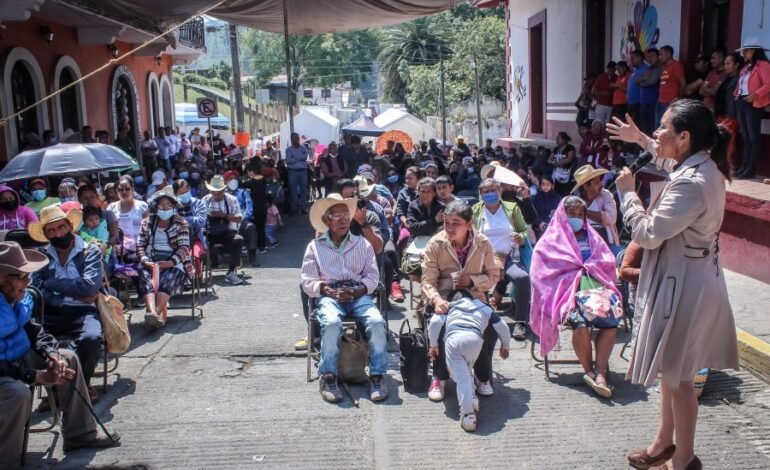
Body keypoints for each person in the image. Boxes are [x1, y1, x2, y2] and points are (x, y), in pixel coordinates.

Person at [607, 98, 741, 469]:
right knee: (671, 369)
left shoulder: (693, 183)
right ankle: (663, 443)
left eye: (663, 127)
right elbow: (666, 157)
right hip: (685, 277)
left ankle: (684, 459)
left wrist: (627, 194)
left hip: (686, 286)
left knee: (681, 380)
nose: (657, 133)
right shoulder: (699, 164)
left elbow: (648, 234)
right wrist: (639, 139)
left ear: (683, 136)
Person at [0, 241, 120, 467]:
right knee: (18, 393)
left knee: (68, 359)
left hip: (16, 356)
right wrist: (34, 376)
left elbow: (34, 331)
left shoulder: (17, 298)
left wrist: (51, 354)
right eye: (22, 277)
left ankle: (80, 435)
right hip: (4, 368)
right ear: (2, 279)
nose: (28, 282)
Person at [530, 197, 622, 398]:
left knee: (611, 322)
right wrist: (572, 276)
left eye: (581, 214)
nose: (577, 217)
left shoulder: (592, 236)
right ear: (563, 214)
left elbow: (606, 261)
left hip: (595, 291)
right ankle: (590, 371)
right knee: (580, 324)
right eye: (572, 213)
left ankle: (600, 372)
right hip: (564, 295)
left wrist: (590, 269)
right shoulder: (550, 241)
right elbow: (540, 273)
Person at [301, 195, 389, 403]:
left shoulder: (362, 244)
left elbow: (372, 276)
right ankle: (329, 375)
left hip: (358, 295)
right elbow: (308, 280)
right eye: (336, 216)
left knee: (377, 322)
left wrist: (358, 291)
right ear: (326, 221)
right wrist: (329, 291)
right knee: (331, 323)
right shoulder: (315, 246)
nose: (342, 220)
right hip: (330, 296)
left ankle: (377, 375)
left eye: (346, 215)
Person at [421, 200, 500, 402]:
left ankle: (482, 377)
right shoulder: (436, 243)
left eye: (456, 223)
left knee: (489, 327)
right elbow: (427, 280)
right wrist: (437, 299)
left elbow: (493, 275)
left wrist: (473, 280)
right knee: (440, 324)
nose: (450, 228)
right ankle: (439, 376)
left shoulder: (482, 243)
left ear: (469, 223)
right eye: (446, 223)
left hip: (475, 297)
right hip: (445, 297)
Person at [28, 205, 105, 402]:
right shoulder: (41, 257)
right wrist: (66, 295)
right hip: (50, 312)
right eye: (51, 230)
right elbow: (36, 291)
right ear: (46, 234)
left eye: (61, 227)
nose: (58, 233)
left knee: (92, 338)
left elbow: (89, 288)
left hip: (83, 311)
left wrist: (52, 283)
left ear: (70, 226)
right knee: (30, 341)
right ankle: (53, 388)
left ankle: (83, 383)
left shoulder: (90, 251)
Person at [428, 297, 510, 432]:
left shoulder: (450, 306)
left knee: (460, 378)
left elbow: (435, 322)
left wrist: (433, 345)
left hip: (454, 339)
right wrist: (505, 345)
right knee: (467, 370)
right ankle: (471, 395)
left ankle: (468, 415)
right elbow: (503, 326)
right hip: (475, 339)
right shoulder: (485, 308)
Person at [472, 178, 530, 340]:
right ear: (481, 194)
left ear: (499, 191)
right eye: (486, 191)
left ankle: (521, 321)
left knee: (523, 278)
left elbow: (524, 230)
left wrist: (521, 237)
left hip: (509, 255)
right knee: (477, 280)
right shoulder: (475, 211)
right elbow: (470, 235)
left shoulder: (511, 209)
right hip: (484, 258)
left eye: (493, 190)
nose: (490, 194)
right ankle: (485, 317)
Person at [136, 191, 192, 328]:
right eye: (162, 206)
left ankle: (154, 314)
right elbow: (140, 245)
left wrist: (169, 263)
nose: (165, 208)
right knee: (147, 280)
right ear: (156, 207)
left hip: (175, 263)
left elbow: (184, 248)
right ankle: (153, 314)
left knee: (167, 280)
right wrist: (144, 260)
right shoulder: (147, 222)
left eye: (168, 205)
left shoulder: (181, 223)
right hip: (151, 262)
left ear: (173, 207)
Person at [734, 38, 770, 179]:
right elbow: (740, 85)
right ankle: (744, 166)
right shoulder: (746, 67)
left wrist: (755, 95)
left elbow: (768, 84)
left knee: (753, 136)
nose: (743, 53)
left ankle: (751, 168)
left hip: (753, 103)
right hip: (742, 102)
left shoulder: (764, 65)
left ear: (754, 51)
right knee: (746, 136)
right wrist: (736, 94)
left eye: (746, 51)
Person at [201, 175, 245, 285]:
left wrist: (223, 216)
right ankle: (201, 273)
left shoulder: (231, 200)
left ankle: (231, 272)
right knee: (200, 244)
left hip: (226, 232)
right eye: (213, 192)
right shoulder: (205, 200)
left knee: (238, 240)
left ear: (224, 190)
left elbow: (239, 219)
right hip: (209, 232)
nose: (216, 194)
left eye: (219, 192)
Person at [572, 164, 620, 252]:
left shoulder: (605, 195)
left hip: (607, 246)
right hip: (584, 248)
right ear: (586, 186)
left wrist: (584, 211)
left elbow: (611, 218)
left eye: (600, 180)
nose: (601, 184)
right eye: (597, 182)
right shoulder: (575, 202)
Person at [715, 52, 744, 170]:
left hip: (730, 114)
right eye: (725, 64)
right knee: (721, 141)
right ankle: (721, 164)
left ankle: (727, 166)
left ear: (736, 65)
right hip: (721, 113)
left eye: (728, 63)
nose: (725, 66)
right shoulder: (726, 78)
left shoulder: (739, 79)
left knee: (730, 143)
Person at [225, 171, 259, 266]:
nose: (233, 181)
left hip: (241, 221)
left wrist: (242, 218)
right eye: (230, 179)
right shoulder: (222, 194)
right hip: (226, 222)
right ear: (226, 181)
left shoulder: (243, 192)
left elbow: (249, 208)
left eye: (234, 178)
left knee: (251, 227)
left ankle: (252, 257)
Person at [242, 160, 269, 255]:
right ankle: (263, 246)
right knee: (261, 227)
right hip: (263, 206)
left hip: (256, 208)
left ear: (251, 171)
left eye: (248, 172)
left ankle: (260, 246)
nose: (248, 174)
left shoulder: (253, 181)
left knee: (257, 228)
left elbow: (242, 185)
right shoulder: (263, 179)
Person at [656, 45, 686, 128]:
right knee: (658, 127)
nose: (659, 57)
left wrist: (679, 98)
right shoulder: (664, 67)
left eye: (661, 54)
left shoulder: (676, 65)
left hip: (670, 102)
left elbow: (683, 83)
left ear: (668, 54)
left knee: (665, 127)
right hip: (660, 101)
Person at [407, 177, 444, 243]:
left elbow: (443, 229)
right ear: (418, 192)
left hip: (436, 241)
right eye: (422, 191)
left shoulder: (441, 208)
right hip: (417, 239)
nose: (425, 195)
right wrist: (434, 221)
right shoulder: (413, 206)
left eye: (429, 192)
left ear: (434, 193)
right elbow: (414, 228)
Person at [636, 47, 663, 136]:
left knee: (652, 127)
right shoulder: (649, 69)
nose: (650, 59)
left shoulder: (660, 68)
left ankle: (651, 149)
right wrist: (645, 78)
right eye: (649, 57)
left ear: (658, 56)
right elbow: (636, 81)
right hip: (643, 102)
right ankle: (644, 149)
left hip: (653, 102)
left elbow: (652, 81)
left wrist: (643, 80)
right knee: (643, 128)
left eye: (653, 56)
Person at [285, 132, 311, 214]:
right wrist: (300, 158)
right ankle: (294, 208)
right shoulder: (288, 150)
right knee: (293, 191)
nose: (296, 140)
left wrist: (295, 157)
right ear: (292, 139)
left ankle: (303, 208)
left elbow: (305, 157)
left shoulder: (303, 148)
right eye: (294, 138)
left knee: (303, 190)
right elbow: (289, 160)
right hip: (293, 172)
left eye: (297, 138)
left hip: (303, 171)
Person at [627, 49, 648, 125]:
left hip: (639, 103)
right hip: (631, 103)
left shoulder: (646, 69)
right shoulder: (635, 71)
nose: (631, 60)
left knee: (637, 126)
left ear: (639, 57)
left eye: (633, 58)